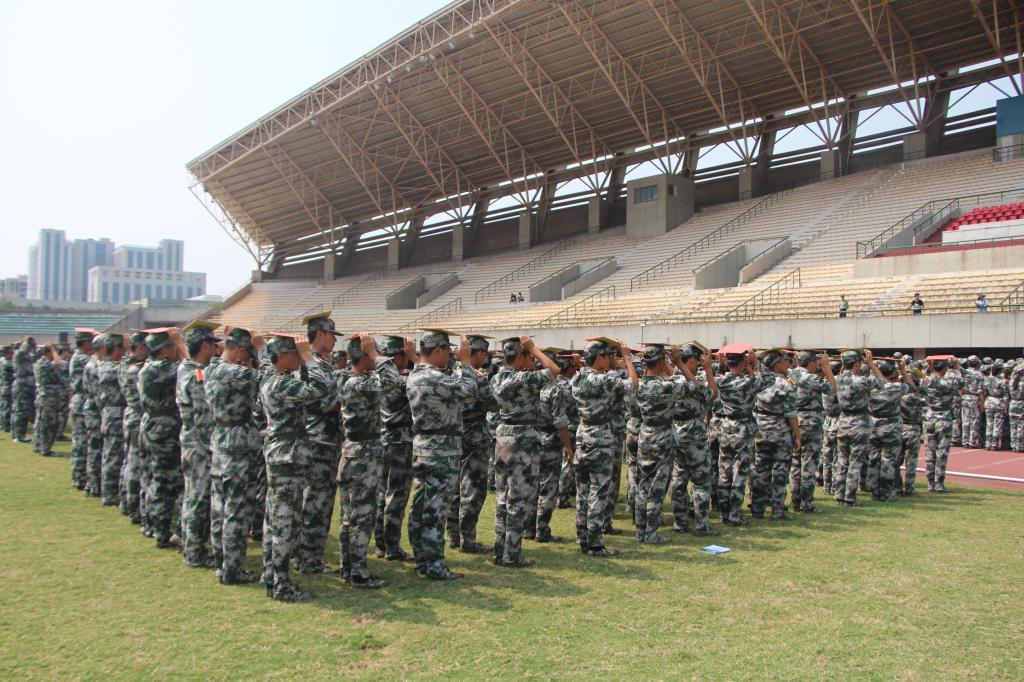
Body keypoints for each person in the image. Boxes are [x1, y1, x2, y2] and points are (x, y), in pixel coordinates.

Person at [259, 333, 334, 602]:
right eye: (294, 354)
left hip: (282, 455)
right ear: (281, 356)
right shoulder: (280, 384)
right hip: (287, 457)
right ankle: (281, 585)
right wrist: (308, 358)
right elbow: (320, 388)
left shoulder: (272, 378)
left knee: (274, 519)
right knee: (284, 522)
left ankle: (271, 574)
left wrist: (302, 360)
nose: (298, 358)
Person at [405, 329, 475, 580]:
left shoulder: (415, 375)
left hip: (424, 446)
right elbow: (469, 393)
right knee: (436, 509)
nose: (449, 355)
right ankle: (434, 565)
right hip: (441, 449)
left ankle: (422, 559)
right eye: (447, 351)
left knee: (421, 505)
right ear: (437, 350)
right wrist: (465, 362)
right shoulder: (434, 378)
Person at [490, 335, 560, 568]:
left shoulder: (496, 378)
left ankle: (500, 548)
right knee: (518, 498)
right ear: (519, 356)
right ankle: (512, 554)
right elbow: (554, 370)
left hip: (503, 435)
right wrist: (534, 348)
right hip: (522, 438)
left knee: (502, 497)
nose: (532, 360)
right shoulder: (522, 378)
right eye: (528, 357)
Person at [206, 327, 264, 586]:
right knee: (236, 509)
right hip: (237, 444)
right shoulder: (233, 372)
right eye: (248, 353)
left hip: (220, 440)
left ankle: (222, 563)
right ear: (240, 351)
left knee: (219, 507)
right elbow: (265, 378)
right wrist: (261, 351)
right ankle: (232, 569)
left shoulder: (212, 369)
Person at [570, 337, 637, 555]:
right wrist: (627, 358)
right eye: (608, 356)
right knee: (598, 492)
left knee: (582, 493)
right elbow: (633, 384)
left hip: (583, 436)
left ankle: (582, 538)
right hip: (601, 439)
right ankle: (595, 543)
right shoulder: (603, 380)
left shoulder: (577, 379)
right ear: (599, 358)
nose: (610, 359)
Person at [338, 333, 391, 589]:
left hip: (352, 451)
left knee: (349, 515)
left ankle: (348, 567)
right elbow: (392, 380)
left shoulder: (348, 380)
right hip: (363, 454)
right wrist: (375, 354)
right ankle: (358, 572)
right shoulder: (361, 383)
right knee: (362, 515)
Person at [295, 311, 345, 575]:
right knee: (316, 501)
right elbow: (329, 402)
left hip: (327, 440)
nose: (335, 340)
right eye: (332, 335)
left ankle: (310, 555)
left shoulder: (323, 364)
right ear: (321, 335)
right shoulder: (310, 365)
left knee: (321, 500)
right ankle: (308, 559)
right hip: (319, 441)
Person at [634, 344, 694, 543]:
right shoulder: (666, 386)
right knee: (657, 489)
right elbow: (694, 384)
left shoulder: (638, 385)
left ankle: (641, 531)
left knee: (643, 486)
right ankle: (651, 534)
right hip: (663, 437)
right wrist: (678, 363)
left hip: (645, 435)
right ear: (660, 361)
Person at [138, 327, 189, 549]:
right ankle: (162, 531)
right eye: (172, 347)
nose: (176, 350)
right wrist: (181, 342)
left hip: (153, 425)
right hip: (164, 428)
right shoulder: (161, 368)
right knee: (167, 481)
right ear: (163, 351)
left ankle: (154, 526)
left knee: (159, 478)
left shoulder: (149, 367)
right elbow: (193, 367)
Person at [176, 321, 220, 568]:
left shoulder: (186, 367)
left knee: (192, 495)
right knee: (198, 498)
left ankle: (189, 543)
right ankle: (194, 551)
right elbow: (205, 416)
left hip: (190, 442)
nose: (215, 349)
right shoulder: (197, 376)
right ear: (204, 345)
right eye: (213, 344)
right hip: (200, 446)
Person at [450, 335, 497, 553]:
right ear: (477, 354)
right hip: (475, 437)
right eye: (484, 354)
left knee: (454, 487)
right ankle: (467, 540)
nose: (485, 358)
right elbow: (493, 404)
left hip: (453, 435)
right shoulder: (476, 377)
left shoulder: (450, 373)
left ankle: (453, 536)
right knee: (473, 489)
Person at [715, 346, 772, 525]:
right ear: (742, 362)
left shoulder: (721, 381)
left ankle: (724, 513)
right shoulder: (747, 383)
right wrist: (755, 362)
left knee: (724, 472)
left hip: (727, 426)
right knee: (740, 472)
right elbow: (769, 379)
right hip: (743, 428)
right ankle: (734, 514)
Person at [668, 342, 719, 535]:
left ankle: (679, 523)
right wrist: (709, 370)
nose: (699, 364)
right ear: (689, 360)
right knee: (701, 480)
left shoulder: (671, 381)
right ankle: (701, 525)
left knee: (679, 479)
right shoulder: (692, 384)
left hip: (675, 430)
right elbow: (713, 394)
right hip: (693, 432)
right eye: (697, 360)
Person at [374, 335, 416, 561]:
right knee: (397, 495)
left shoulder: (379, 379)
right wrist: (416, 358)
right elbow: (424, 379)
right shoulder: (402, 382)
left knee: (382, 493)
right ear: (398, 357)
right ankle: (392, 546)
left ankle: (381, 544)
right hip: (401, 440)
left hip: (384, 438)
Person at [751, 349, 800, 521]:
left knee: (760, 470)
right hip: (780, 432)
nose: (788, 364)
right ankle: (778, 510)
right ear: (777, 364)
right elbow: (791, 414)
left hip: (761, 430)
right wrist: (797, 435)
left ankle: (757, 508)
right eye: (785, 361)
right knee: (780, 473)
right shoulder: (785, 385)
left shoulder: (758, 382)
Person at [833, 349, 884, 506]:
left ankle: (839, 495)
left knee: (842, 462)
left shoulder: (837, 379)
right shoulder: (861, 381)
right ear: (857, 364)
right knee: (855, 462)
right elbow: (881, 382)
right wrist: (871, 363)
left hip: (843, 422)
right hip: (859, 423)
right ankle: (849, 497)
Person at [788, 351, 834, 513]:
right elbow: (832, 388)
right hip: (810, 423)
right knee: (809, 463)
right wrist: (827, 367)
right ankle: (806, 502)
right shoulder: (811, 378)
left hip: (794, 421)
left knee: (795, 463)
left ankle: (795, 500)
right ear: (812, 362)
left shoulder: (791, 374)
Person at [867, 357, 911, 502]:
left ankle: (874, 491)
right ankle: (885, 494)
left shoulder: (870, 386)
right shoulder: (895, 387)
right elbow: (911, 386)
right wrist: (903, 370)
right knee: (888, 461)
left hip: (873, 425)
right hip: (891, 427)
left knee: (873, 460)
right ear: (892, 373)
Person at [119, 331, 149, 524]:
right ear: (139, 347)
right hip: (137, 417)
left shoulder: (125, 364)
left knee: (130, 462)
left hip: (131, 415)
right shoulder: (136, 369)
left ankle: (127, 502)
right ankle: (134, 508)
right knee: (136, 465)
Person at [922, 356, 963, 492]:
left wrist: (929, 367)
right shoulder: (949, 382)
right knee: (942, 452)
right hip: (944, 417)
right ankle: (938, 483)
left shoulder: (926, 381)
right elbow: (962, 382)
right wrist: (956, 367)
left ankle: (930, 483)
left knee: (930, 452)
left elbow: (923, 379)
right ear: (945, 368)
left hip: (929, 417)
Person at [96, 334, 127, 505]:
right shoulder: (114, 368)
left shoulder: (103, 365)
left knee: (110, 453)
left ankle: (108, 492)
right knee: (114, 455)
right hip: (115, 414)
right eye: (122, 347)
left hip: (110, 413)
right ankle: (110, 494)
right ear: (116, 348)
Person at [68, 329, 96, 490]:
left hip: (79, 400)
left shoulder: (78, 356)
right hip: (82, 401)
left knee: (81, 441)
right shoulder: (82, 358)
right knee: (81, 442)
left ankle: (79, 476)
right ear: (86, 343)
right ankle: (79, 477)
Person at [31, 343, 64, 457]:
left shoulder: (41, 362)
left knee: (40, 422)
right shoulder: (44, 363)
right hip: (48, 397)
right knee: (48, 424)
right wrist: (53, 350)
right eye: (53, 352)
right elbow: (59, 364)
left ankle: (37, 445)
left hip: (44, 396)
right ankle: (45, 449)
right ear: (47, 353)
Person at [898, 369, 927, 495]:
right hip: (912, 429)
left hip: (898, 428)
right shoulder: (913, 397)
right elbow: (926, 399)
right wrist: (923, 385)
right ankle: (909, 489)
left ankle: (897, 488)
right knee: (911, 461)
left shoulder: (895, 394)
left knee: (896, 461)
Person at [10, 336, 37, 443]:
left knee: (23, 411)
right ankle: (18, 435)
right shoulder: (19, 354)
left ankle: (19, 434)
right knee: (20, 411)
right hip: (22, 386)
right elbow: (23, 350)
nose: (30, 348)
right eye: (29, 346)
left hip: (26, 386)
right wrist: (27, 341)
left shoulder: (26, 356)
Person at [960, 355, 985, 448]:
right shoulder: (979, 374)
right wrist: (982, 403)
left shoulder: (964, 373)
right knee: (975, 421)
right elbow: (980, 391)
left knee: (965, 420)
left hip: (965, 398)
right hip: (974, 398)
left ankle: (965, 441)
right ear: (977, 363)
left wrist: (963, 397)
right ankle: (972, 442)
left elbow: (960, 388)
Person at [983, 360, 1008, 450]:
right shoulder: (1003, 381)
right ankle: (994, 444)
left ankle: (988, 443)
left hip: (989, 401)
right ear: (1000, 370)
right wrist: (1006, 406)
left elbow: (984, 392)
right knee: (997, 425)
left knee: (989, 424)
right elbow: (1005, 395)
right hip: (998, 402)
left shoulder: (987, 379)